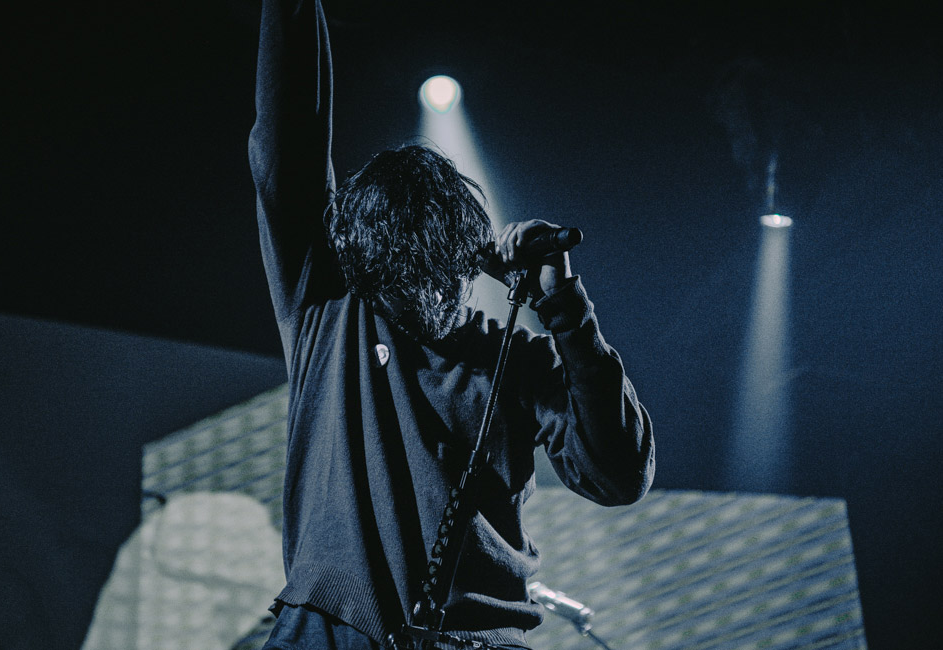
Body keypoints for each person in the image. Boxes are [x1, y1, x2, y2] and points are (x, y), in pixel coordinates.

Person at [248, 1, 655, 648]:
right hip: (329, 631)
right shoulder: (332, 307)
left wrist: (567, 311)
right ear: (365, 262)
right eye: (394, 275)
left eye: (429, 270)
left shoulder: (515, 359)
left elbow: (619, 475)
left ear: (464, 259)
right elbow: (286, 142)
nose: (413, 294)